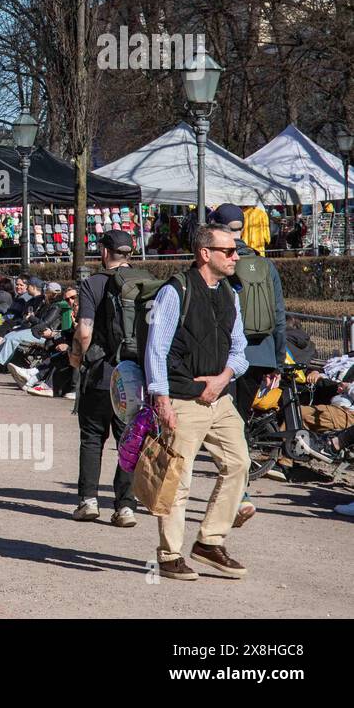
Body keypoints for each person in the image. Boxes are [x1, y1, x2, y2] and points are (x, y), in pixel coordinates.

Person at [145, 224, 251, 581]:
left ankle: (209, 541)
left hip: (219, 397)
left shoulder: (230, 294)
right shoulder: (176, 291)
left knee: (239, 463)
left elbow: (240, 349)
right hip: (181, 397)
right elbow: (156, 349)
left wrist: (224, 378)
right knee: (177, 478)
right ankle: (170, 554)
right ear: (206, 254)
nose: (235, 256)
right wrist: (161, 398)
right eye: (229, 251)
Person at [210, 202, 286, 528]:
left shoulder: (217, 259)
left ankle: (238, 493)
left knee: (220, 425)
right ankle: (238, 490)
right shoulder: (265, 265)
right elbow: (279, 316)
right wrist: (278, 360)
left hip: (227, 357)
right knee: (238, 421)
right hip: (262, 354)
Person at [67, 229, 140, 526]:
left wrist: (77, 358)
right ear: (130, 254)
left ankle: (88, 501)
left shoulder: (93, 283)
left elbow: (84, 330)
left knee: (93, 437)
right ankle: (125, 506)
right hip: (135, 374)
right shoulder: (144, 281)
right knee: (129, 441)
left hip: (101, 372)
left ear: (105, 252)